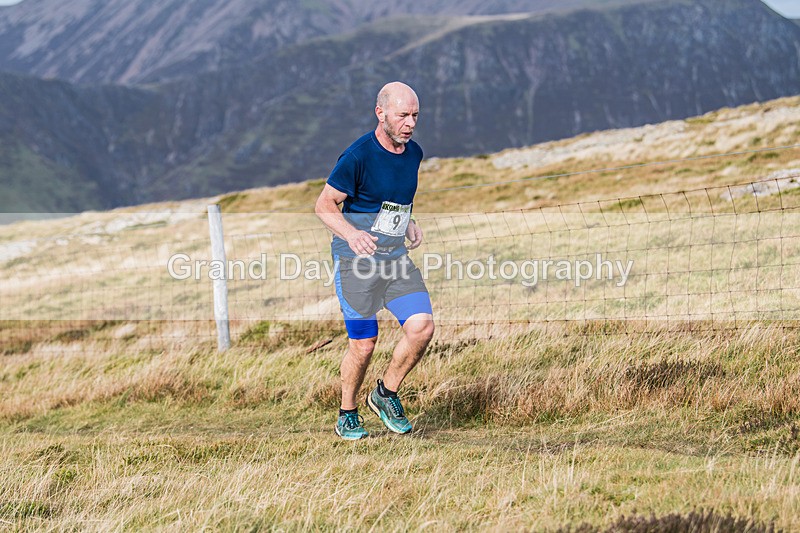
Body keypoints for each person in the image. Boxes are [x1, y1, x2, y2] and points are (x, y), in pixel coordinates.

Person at [315, 81, 435, 440]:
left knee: (421, 327)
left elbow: (393, 199)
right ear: (380, 113)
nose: (410, 123)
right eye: (402, 115)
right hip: (357, 263)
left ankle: (385, 393)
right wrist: (351, 234)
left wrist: (408, 222)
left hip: (395, 260)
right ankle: (347, 413)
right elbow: (323, 205)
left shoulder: (413, 153)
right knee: (364, 345)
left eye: (415, 115)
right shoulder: (357, 157)